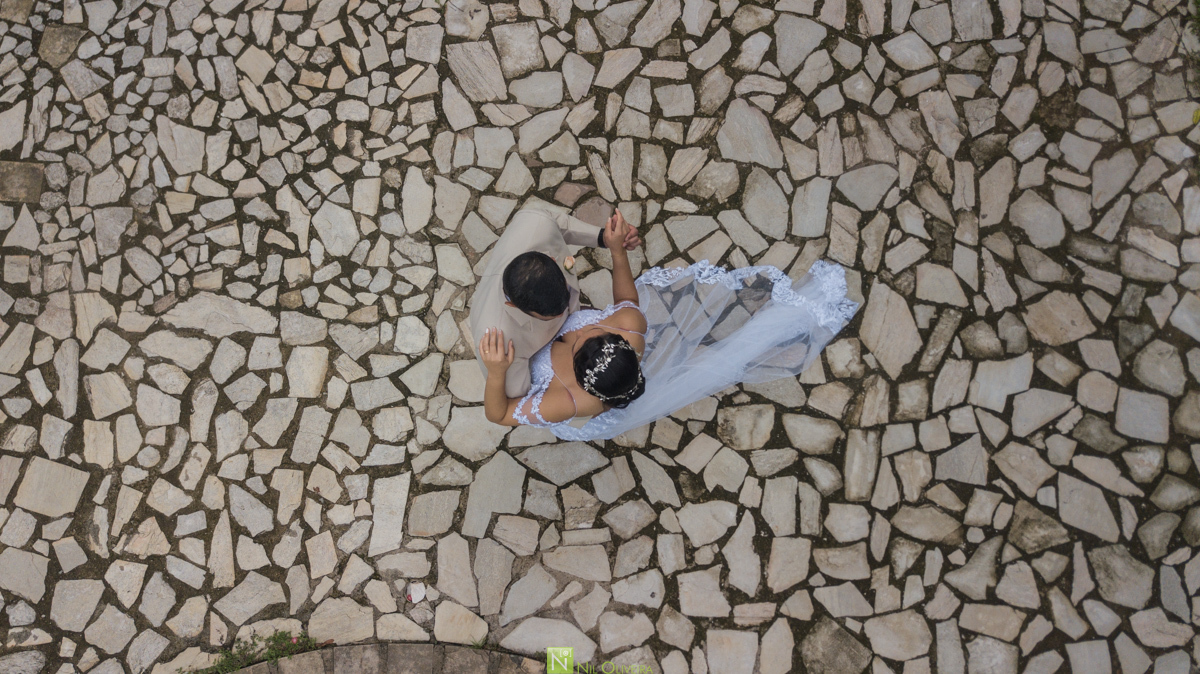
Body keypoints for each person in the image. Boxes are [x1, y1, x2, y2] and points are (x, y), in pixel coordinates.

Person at [480, 213, 859, 441]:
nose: (577, 332)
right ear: (621, 341)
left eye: (579, 342)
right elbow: (627, 298)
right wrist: (615, 251)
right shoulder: (630, 325)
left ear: (579, 379)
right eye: (596, 334)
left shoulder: (568, 402)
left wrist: (497, 373)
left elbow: (497, 415)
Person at [468, 207, 640, 399]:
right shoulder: (498, 339)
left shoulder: (536, 223)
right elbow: (515, 397)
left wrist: (604, 238)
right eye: (551, 315)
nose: (563, 314)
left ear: (550, 259)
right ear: (513, 306)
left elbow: (557, 221)